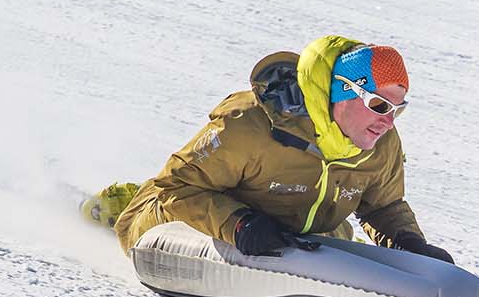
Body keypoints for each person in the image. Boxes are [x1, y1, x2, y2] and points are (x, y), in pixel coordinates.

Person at [86, 35, 454, 265]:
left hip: (290, 233)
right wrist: (239, 223)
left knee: (337, 237)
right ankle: (128, 201)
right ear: (344, 92)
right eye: (379, 104)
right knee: (146, 223)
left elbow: (383, 205)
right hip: (196, 219)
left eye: (397, 108)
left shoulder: (381, 144)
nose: (388, 121)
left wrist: (409, 244)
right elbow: (178, 188)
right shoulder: (250, 124)